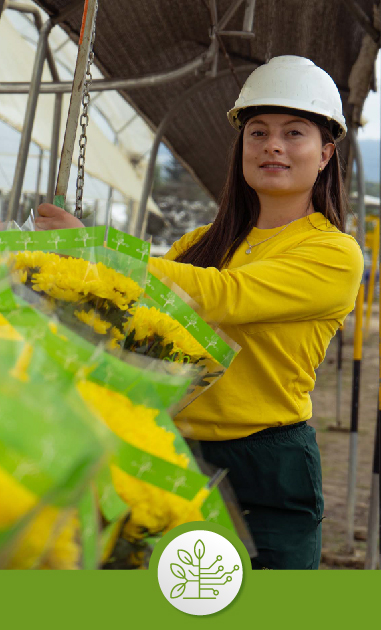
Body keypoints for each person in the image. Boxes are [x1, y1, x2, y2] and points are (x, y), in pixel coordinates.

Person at [34, 56, 364, 570]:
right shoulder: (200, 242)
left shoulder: (333, 253)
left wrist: (99, 248)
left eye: (293, 133)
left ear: (324, 155)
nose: (272, 145)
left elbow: (222, 295)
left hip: (267, 460)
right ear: (242, 149)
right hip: (174, 450)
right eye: (258, 133)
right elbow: (137, 310)